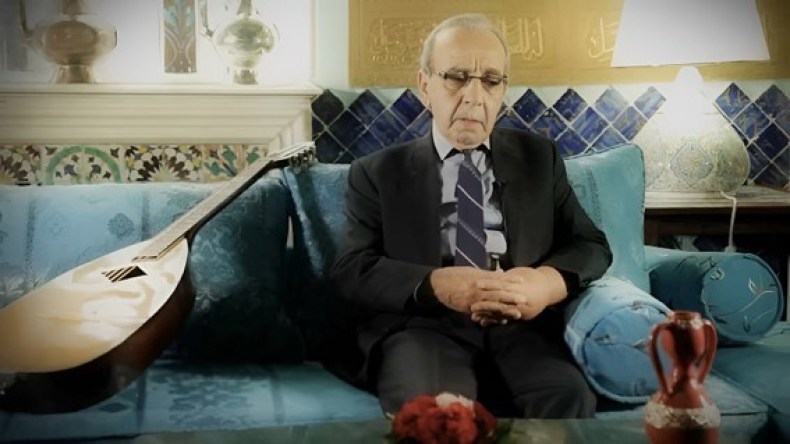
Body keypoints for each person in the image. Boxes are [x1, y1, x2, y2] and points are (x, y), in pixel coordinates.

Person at [330, 13, 612, 419]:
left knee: (568, 401)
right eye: (456, 78)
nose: (474, 97)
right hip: (424, 329)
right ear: (425, 85)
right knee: (439, 417)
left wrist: (545, 284)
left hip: (522, 328)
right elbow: (352, 268)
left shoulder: (539, 158)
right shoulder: (378, 172)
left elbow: (590, 244)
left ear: (503, 90)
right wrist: (436, 284)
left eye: (491, 81)